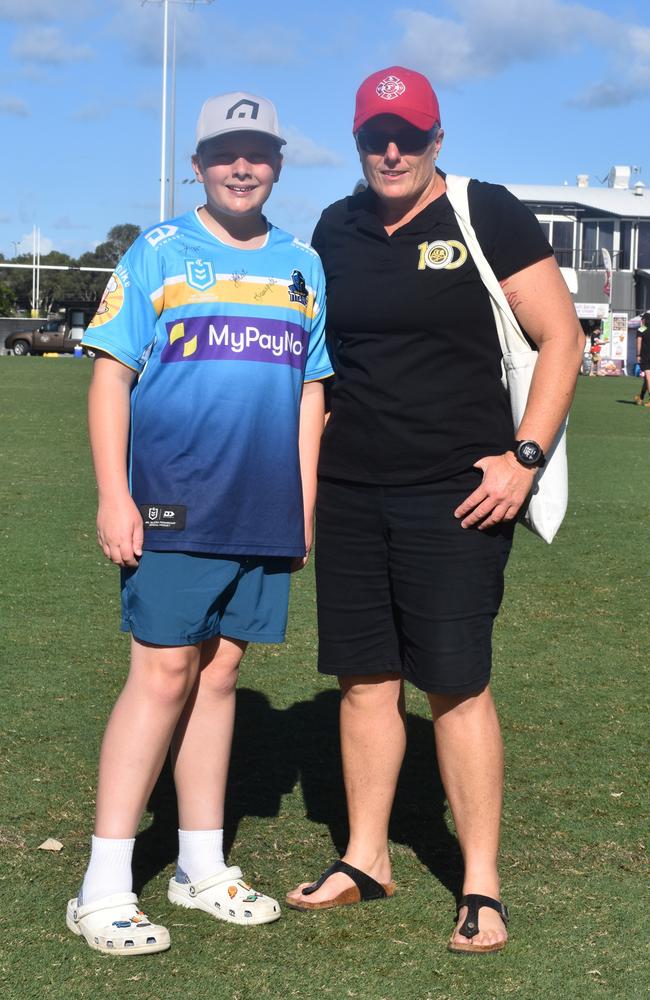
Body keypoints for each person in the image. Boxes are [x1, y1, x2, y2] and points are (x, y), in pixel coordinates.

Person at [286, 66, 584, 953]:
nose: (391, 150)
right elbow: (316, 367)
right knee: (365, 680)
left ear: (436, 140)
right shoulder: (333, 227)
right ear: (355, 139)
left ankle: (480, 883)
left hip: (458, 497)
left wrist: (523, 458)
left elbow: (561, 336)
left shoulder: (485, 212)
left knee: (454, 685)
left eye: (408, 136)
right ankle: (365, 857)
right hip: (349, 492)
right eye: (376, 134)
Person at [66, 91, 332, 955]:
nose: (242, 166)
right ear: (198, 164)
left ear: (279, 163)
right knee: (163, 675)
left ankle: (200, 866)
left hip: (263, 509)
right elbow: (110, 375)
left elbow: (310, 392)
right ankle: (102, 886)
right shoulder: (159, 251)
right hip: (174, 500)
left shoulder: (303, 263)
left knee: (219, 678)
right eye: (226, 152)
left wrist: (304, 507)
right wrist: (115, 495)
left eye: (258, 151)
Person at [634, 311, 650, 404]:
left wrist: (638, 355)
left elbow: (639, 342)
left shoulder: (642, 329)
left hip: (646, 356)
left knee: (648, 377)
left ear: (644, 320)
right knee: (647, 379)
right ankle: (641, 397)